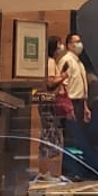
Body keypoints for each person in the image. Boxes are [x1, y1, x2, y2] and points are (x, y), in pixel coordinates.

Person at [58, 31, 92, 181]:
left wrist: (85, 107)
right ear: (69, 45)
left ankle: (78, 169)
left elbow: (82, 87)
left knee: (78, 138)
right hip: (71, 102)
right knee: (70, 138)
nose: (79, 44)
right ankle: (70, 171)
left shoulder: (79, 62)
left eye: (80, 41)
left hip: (79, 102)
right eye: (76, 42)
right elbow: (63, 85)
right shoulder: (66, 60)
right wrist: (68, 107)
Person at [33, 36, 66, 180]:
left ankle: (48, 172)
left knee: (50, 135)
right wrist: (63, 76)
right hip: (49, 103)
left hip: (47, 103)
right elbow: (50, 83)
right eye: (59, 44)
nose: (61, 47)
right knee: (50, 136)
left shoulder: (50, 61)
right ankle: (47, 172)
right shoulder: (51, 62)